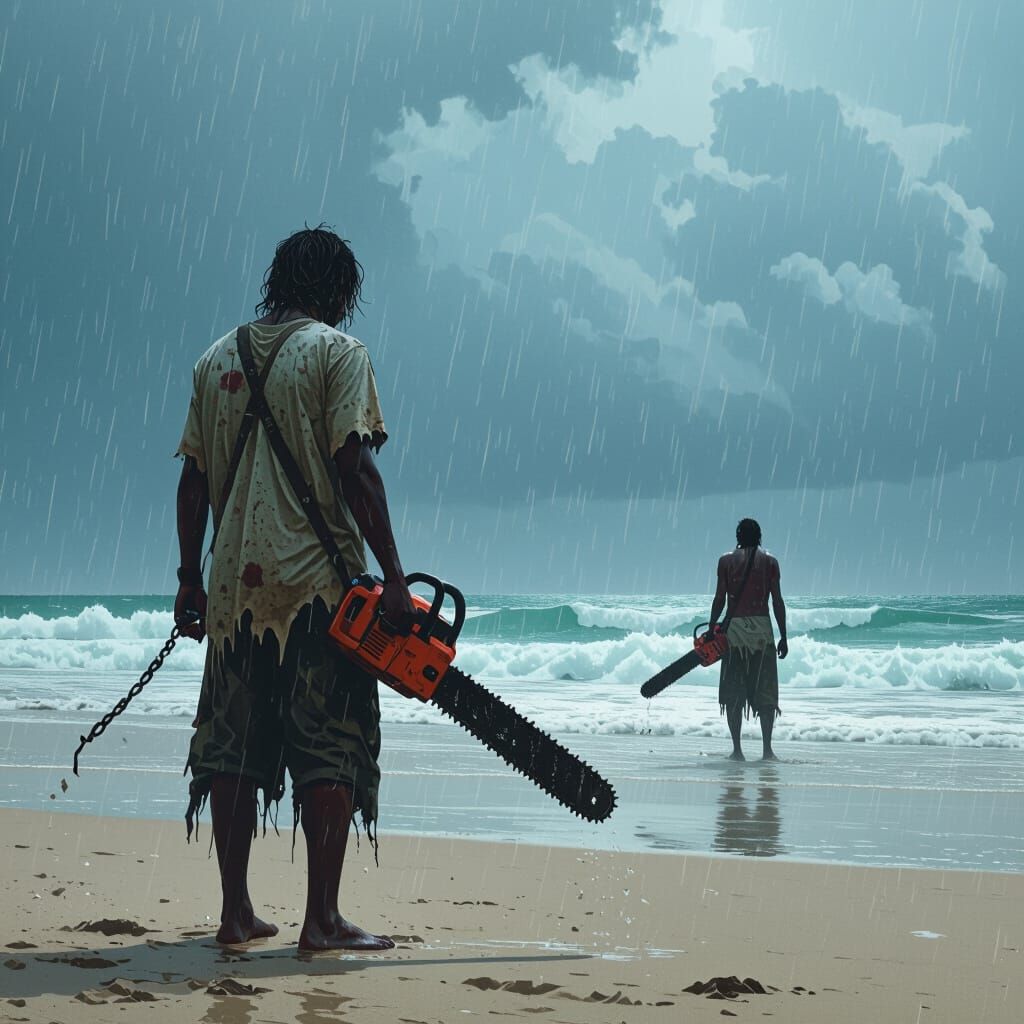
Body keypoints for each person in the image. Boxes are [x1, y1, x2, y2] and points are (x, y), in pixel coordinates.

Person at [173, 225, 413, 951]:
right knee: (329, 747)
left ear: (278, 280)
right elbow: (355, 469)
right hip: (318, 592)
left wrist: (190, 577)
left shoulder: (215, 359)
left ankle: (236, 912)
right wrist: (396, 577)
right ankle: (322, 920)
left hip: (233, 594)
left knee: (232, 750)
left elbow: (191, 482)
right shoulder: (338, 354)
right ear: (340, 291)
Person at [707, 518, 787, 761]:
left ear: (738, 536)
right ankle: (767, 750)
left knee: (734, 691)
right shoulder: (770, 562)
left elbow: (720, 598)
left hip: (736, 631)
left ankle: (737, 750)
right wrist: (784, 635)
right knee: (765, 692)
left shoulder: (726, 562)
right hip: (763, 630)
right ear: (760, 536)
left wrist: (712, 627)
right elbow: (777, 601)